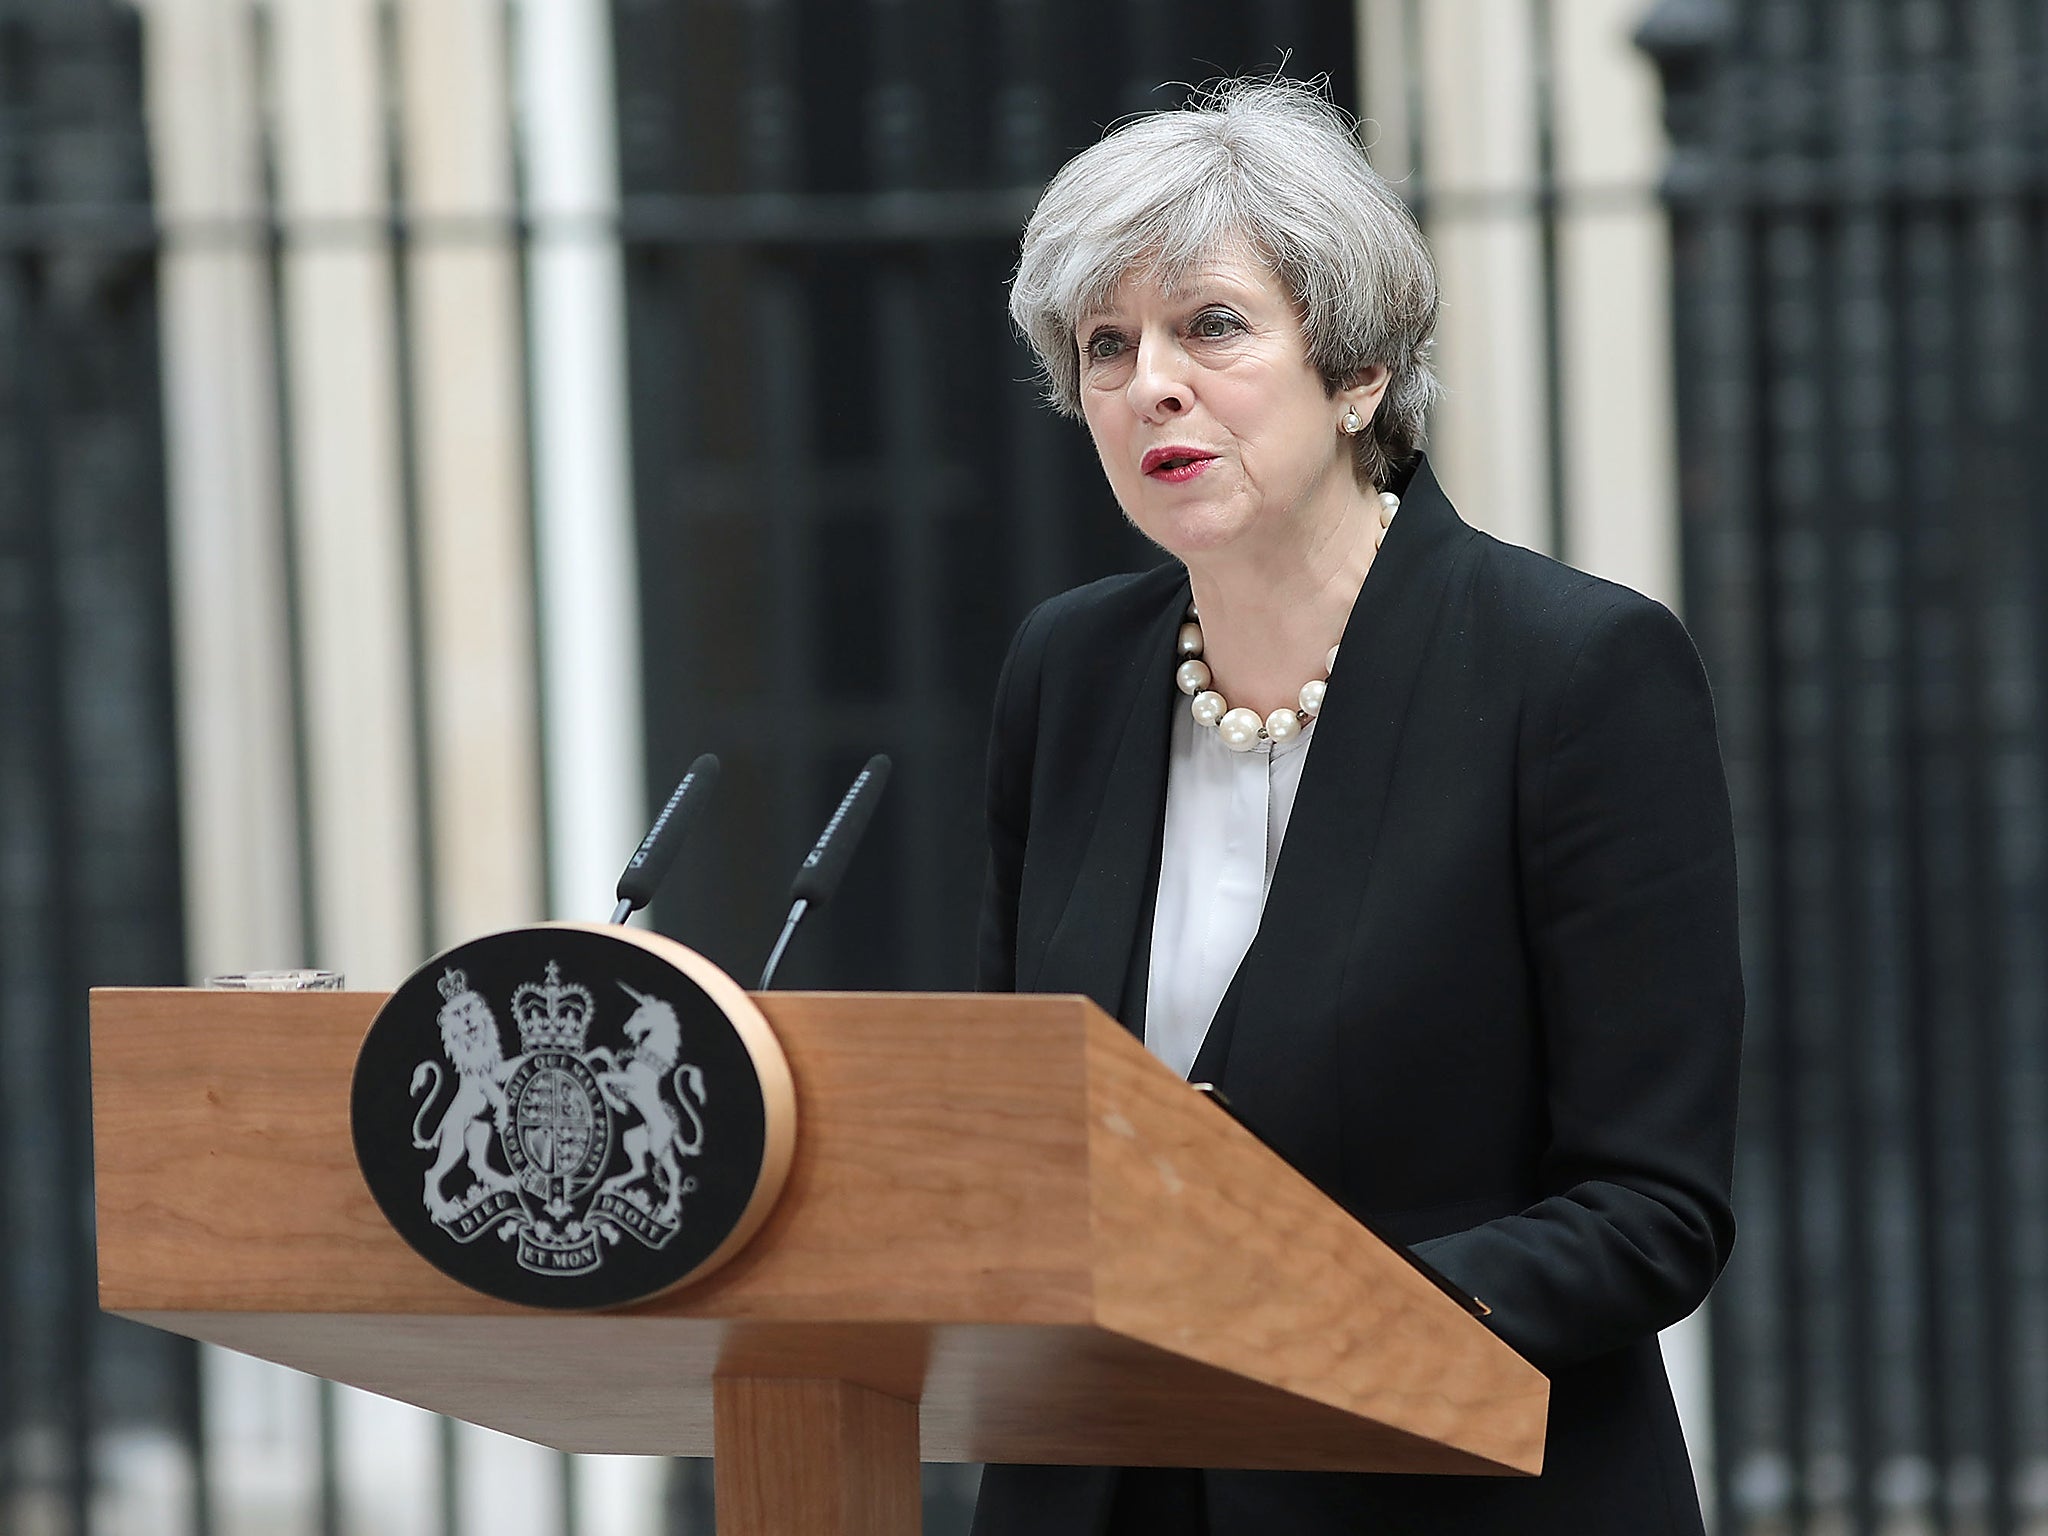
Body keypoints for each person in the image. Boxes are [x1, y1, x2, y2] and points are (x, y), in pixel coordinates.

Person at [973, 77, 1740, 1536]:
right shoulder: (1064, 672)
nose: (1152, 386)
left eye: (1211, 326)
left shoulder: (1574, 671)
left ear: (1358, 371)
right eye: (1107, 347)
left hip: (1441, 1489)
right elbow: (1023, 1134)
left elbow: (1653, 1207)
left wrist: (1300, 1317)